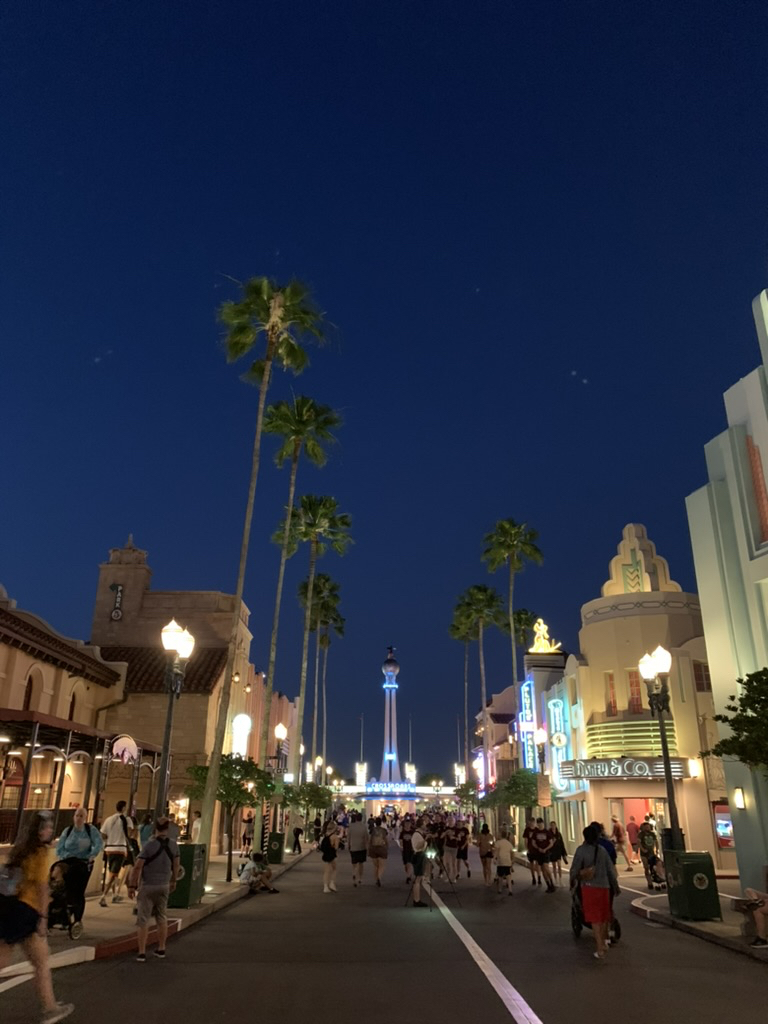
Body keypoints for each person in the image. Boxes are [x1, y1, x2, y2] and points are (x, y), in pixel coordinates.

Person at [0, 810, 74, 1023]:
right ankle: (49, 1009)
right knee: (41, 963)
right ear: (40, 831)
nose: (50, 831)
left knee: (12, 958)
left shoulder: (20, 849)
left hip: (9, 909)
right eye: (48, 827)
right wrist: (43, 918)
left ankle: (50, 1006)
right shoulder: (41, 853)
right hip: (28, 912)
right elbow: (42, 888)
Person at [127, 816, 179, 962]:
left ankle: (142, 952)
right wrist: (173, 880)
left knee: (143, 919)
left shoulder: (149, 846)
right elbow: (176, 865)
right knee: (161, 917)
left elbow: (138, 866)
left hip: (148, 885)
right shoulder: (174, 845)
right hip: (164, 885)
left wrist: (132, 885)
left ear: (154, 829)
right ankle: (161, 948)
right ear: (167, 829)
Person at [569, 824, 619, 961]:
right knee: (603, 917)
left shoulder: (581, 851)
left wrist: (574, 880)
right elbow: (610, 871)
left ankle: (600, 948)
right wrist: (615, 886)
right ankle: (603, 942)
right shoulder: (602, 850)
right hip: (604, 887)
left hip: (589, 887)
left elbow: (574, 871)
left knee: (595, 919)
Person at [55, 807, 103, 924]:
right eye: (77, 815)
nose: (78, 818)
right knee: (64, 888)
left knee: (78, 891)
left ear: (85, 818)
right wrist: (62, 857)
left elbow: (98, 843)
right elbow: (60, 847)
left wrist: (92, 855)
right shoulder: (68, 830)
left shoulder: (89, 830)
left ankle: (77, 918)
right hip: (68, 862)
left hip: (83, 863)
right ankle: (62, 915)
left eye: (81, 816)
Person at [99, 799, 135, 906]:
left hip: (109, 849)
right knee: (114, 874)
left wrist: (110, 840)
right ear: (123, 808)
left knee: (112, 871)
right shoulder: (126, 819)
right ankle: (103, 896)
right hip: (120, 849)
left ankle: (114, 895)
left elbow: (103, 834)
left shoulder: (109, 819)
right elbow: (129, 832)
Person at [530, 818, 556, 893]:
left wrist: (546, 849)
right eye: (538, 824)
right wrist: (538, 848)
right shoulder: (535, 833)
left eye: (540, 823)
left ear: (543, 823)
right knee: (542, 869)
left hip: (546, 852)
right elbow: (533, 842)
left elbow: (551, 843)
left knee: (546, 866)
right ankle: (548, 885)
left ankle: (552, 882)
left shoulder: (547, 832)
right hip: (539, 853)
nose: (539, 825)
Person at [410, 820, 429, 907]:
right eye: (424, 824)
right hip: (419, 855)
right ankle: (416, 899)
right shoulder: (416, 835)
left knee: (419, 878)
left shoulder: (419, 834)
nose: (426, 825)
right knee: (417, 878)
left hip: (421, 855)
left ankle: (417, 899)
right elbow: (418, 846)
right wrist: (425, 839)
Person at [347, 812, 368, 887]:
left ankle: (354, 874)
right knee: (361, 864)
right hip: (361, 847)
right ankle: (360, 878)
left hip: (353, 847)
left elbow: (348, 837)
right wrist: (367, 847)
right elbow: (366, 838)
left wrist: (348, 845)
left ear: (356, 818)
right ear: (362, 818)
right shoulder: (364, 827)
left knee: (354, 864)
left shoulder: (351, 826)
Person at [368, 816, 389, 886]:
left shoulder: (372, 830)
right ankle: (379, 877)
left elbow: (370, 840)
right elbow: (386, 840)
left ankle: (376, 878)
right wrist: (387, 847)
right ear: (381, 823)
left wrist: (369, 848)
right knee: (382, 865)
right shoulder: (384, 830)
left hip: (373, 849)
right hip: (381, 848)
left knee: (375, 866)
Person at [320, 821, 340, 893]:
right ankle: (332, 883)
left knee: (326, 871)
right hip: (332, 855)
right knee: (334, 869)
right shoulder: (335, 837)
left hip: (325, 855)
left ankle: (325, 886)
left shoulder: (325, 835)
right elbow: (336, 847)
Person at [546, 820, 567, 885]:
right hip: (552, 851)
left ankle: (560, 880)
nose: (553, 826)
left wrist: (564, 853)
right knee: (554, 866)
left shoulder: (558, 834)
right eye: (552, 825)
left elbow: (562, 843)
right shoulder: (549, 834)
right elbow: (548, 843)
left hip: (558, 851)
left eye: (554, 825)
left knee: (559, 865)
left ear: (555, 826)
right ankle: (556, 880)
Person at [494, 829, 515, 895]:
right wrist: (512, 861)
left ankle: (500, 889)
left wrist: (494, 858)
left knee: (500, 876)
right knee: (508, 875)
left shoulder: (498, 843)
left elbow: (496, 852)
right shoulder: (509, 844)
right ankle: (510, 890)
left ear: (500, 835)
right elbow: (512, 853)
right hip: (507, 861)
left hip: (501, 861)